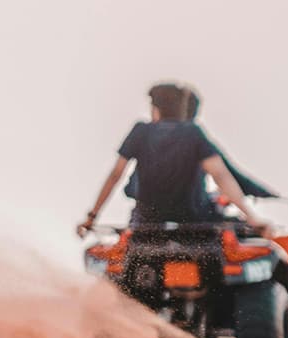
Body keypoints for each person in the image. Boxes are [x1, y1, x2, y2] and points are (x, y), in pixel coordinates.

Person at [79, 81, 272, 239]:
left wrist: (92, 217)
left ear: (155, 109)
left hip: (147, 222)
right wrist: (252, 217)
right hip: (194, 221)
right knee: (233, 222)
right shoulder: (193, 133)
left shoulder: (141, 131)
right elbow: (221, 174)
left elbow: (115, 175)